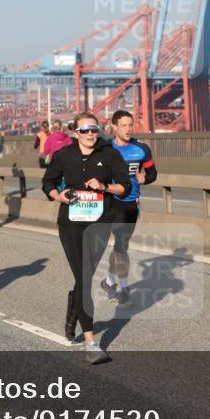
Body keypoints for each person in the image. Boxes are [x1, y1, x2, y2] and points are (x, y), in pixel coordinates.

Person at [42, 112, 131, 365]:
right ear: (75, 133)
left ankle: (73, 313)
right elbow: (48, 183)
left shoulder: (110, 155)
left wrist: (104, 187)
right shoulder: (63, 155)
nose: (90, 134)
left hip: (99, 223)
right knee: (83, 277)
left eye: (93, 129)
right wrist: (59, 196)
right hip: (70, 223)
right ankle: (91, 343)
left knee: (85, 277)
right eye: (84, 130)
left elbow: (124, 187)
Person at [100, 110, 157, 304]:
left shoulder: (141, 148)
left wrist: (145, 178)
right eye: (124, 125)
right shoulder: (105, 148)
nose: (128, 129)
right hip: (110, 201)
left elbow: (153, 173)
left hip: (131, 203)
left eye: (130, 125)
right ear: (114, 127)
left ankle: (110, 282)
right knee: (117, 245)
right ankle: (122, 286)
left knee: (121, 245)